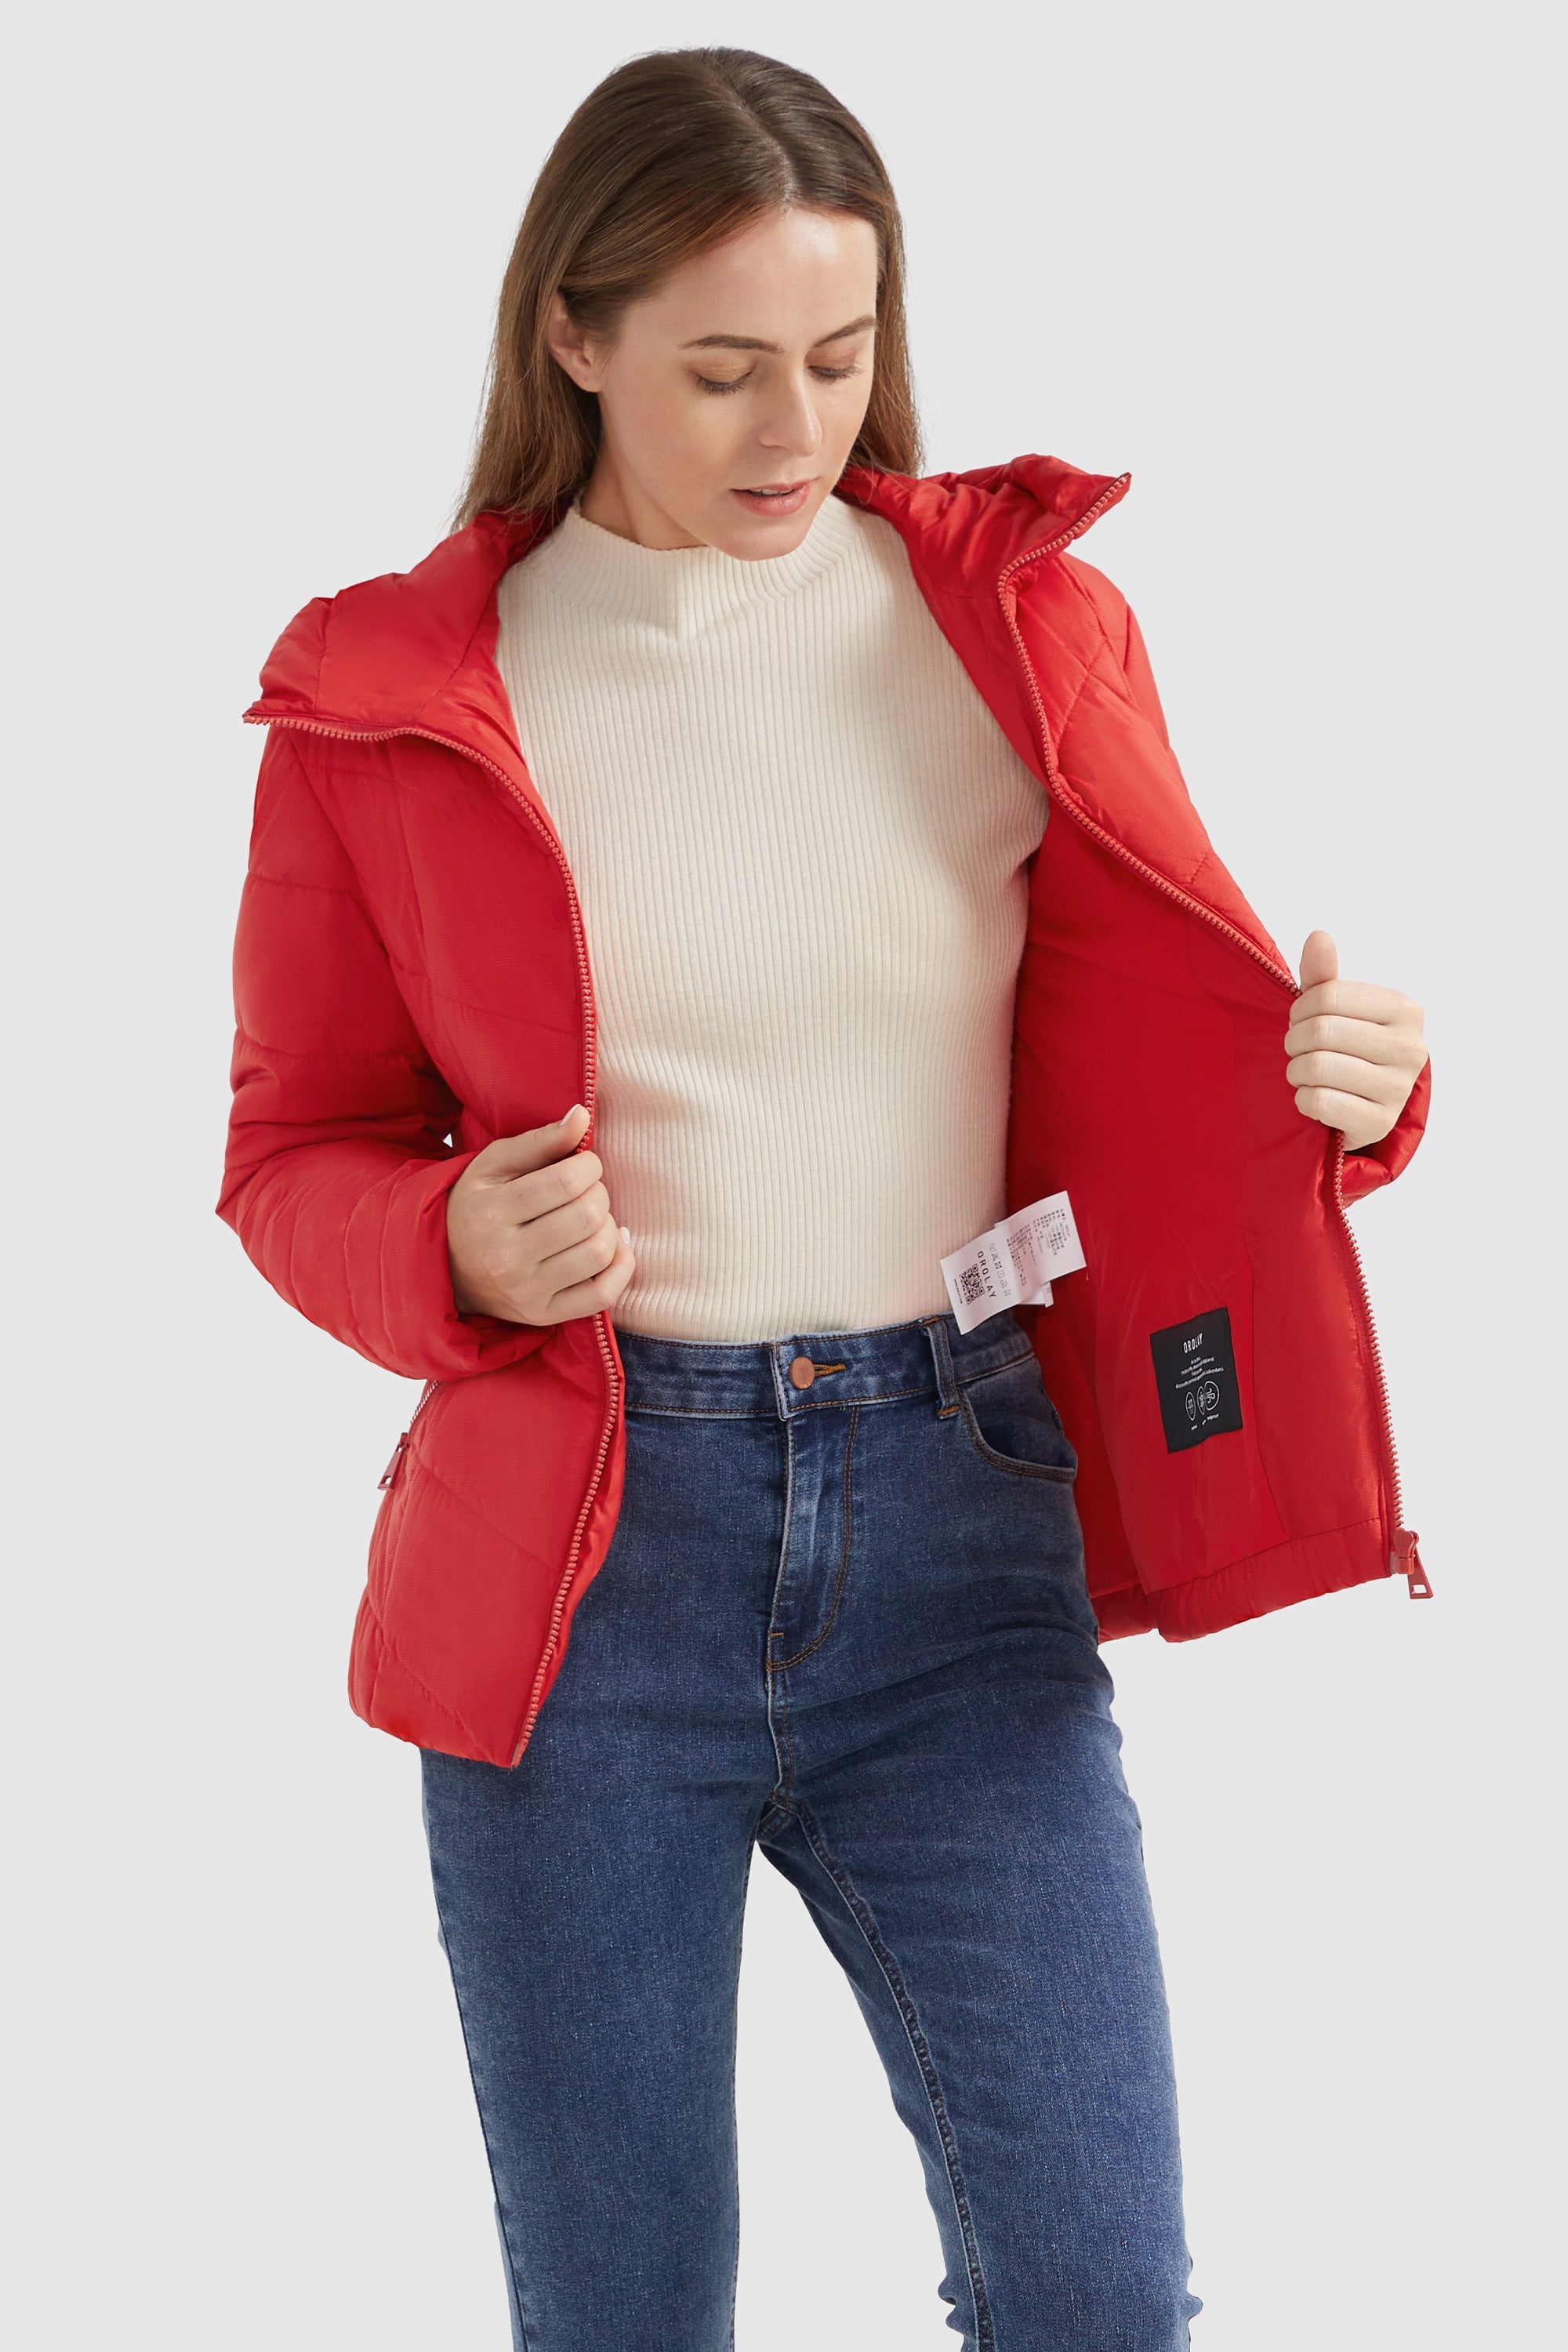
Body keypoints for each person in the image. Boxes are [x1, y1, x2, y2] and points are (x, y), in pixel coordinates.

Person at [220, 45, 1430, 2352]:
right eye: (723, 368)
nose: (797, 428)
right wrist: (444, 1244)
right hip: (583, 1578)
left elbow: (1184, 1021)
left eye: (843, 355)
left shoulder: (1018, 625)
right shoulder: (391, 697)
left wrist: (1359, 1090)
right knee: (625, 2314)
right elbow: (289, 1156)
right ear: (572, 336)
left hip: (958, 1526)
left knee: (1096, 2293)